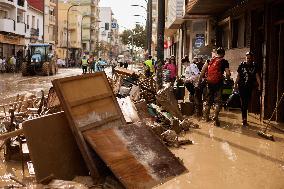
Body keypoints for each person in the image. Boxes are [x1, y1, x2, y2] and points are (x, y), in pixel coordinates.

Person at [198, 47, 231, 126]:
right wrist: (227, 79)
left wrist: (199, 82)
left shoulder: (210, 60)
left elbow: (202, 71)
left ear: (216, 53)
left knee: (208, 101)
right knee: (218, 102)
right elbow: (228, 73)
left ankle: (206, 117)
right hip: (218, 83)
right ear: (223, 54)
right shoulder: (224, 61)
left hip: (209, 83)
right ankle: (215, 116)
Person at [234, 52, 261, 127]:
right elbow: (238, 76)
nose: (248, 59)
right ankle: (244, 119)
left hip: (249, 87)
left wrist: (260, 86)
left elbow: (257, 76)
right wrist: (235, 85)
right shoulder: (242, 65)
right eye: (247, 58)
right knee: (243, 103)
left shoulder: (255, 66)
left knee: (247, 102)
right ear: (245, 58)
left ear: (252, 58)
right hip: (241, 87)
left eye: (250, 58)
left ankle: (244, 117)